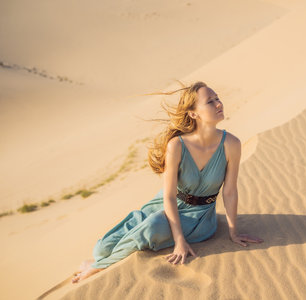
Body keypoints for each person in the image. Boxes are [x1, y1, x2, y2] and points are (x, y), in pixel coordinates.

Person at [71, 81, 263, 284]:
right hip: (164, 204)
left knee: (153, 226)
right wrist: (179, 240)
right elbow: (169, 196)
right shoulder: (177, 146)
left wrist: (234, 232)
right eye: (210, 101)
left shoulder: (231, 144)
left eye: (217, 98)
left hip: (199, 218)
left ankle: (97, 267)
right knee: (101, 247)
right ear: (193, 113)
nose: (218, 104)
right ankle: (99, 259)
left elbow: (230, 191)